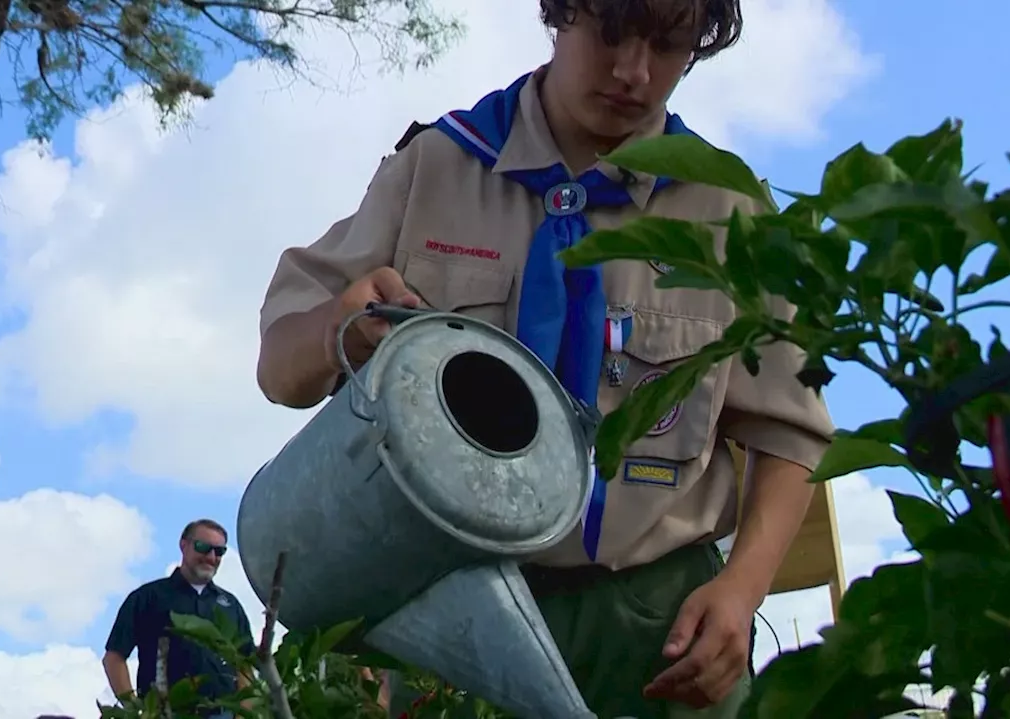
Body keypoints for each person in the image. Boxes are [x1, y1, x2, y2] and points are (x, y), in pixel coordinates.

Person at [254, 0, 835, 716]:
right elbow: (279, 370)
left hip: (660, 627)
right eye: (612, 33)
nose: (634, 71)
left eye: (668, 45)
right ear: (560, 13)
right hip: (454, 620)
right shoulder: (436, 166)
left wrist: (741, 592)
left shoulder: (728, 211)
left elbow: (793, 433)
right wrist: (331, 330)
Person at [102, 519, 256, 718]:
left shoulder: (230, 605)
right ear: (183, 545)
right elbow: (114, 658)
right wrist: (134, 709)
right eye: (203, 547)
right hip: (166, 712)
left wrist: (244, 713)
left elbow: (244, 665)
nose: (211, 557)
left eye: (219, 551)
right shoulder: (147, 598)